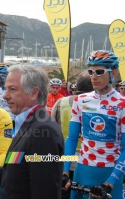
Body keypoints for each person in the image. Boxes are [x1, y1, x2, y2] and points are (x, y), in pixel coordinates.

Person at [0, 65, 64, 199]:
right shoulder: (27, 122)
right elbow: (24, 165)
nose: (6, 95)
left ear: (34, 93)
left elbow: (45, 192)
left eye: (12, 89)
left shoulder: (43, 131)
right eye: (6, 89)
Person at [63, 50, 125, 199]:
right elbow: (72, 139)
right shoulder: (80, 100)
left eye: (99, 72)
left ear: (114, 72)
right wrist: (65, 171)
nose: (94, 76)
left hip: (110, 172)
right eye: (91, 71)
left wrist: (110, 183)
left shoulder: (124, 105)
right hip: (82, 169)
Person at [51, 70, 94, 199]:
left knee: (63, 192)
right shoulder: (99, 105)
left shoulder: (61, 103)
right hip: (88, 161)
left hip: (65, 158)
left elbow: (52, 130)